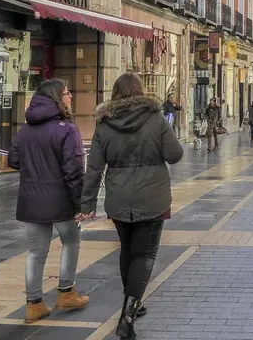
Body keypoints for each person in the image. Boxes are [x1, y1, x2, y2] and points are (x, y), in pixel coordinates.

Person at [81, 73, 184, 339]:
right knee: (145, 254)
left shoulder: (104, 123)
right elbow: (175, 154)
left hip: (119, 197)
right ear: (140, 91)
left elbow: (94, 167)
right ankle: (128, 315)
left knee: (127, 250)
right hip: (152, 196)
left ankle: (133, 302)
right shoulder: (155, 118)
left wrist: (87, 203)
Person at [8, 79, 89, 324]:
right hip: (60, 199)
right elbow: (74, 170)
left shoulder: (25, 129)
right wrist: (80, 204)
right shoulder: (67, 129)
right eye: (66, 93)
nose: (71, 96)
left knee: (36, 252)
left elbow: (13, 160)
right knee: (71, 241)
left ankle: (34, 305)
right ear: (56, 98)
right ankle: (66, 292)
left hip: (31, 199)